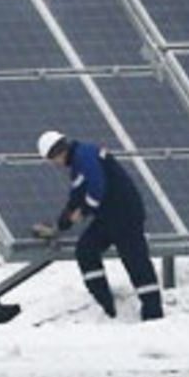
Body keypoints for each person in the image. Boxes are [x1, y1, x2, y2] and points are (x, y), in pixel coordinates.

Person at [34, 130, 163, 322]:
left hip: (126, 214)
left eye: (52, 160)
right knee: (85, 250)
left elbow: (96, 186)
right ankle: (106, 305)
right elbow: (77, 195)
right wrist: (61, 224)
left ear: (57, 153)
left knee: (136, 262)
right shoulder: (78, 163)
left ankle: (153, 315)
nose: (54, 165)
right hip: (107, 217)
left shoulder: (85, 155)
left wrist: (84, 210)